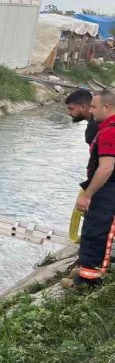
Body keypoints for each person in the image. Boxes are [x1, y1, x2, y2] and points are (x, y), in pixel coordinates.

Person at [74, 91, 115, 286]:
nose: (90, 110)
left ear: (107, 108)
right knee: (95, 232)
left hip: (107, 191)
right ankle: (86, 276)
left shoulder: (110, 131)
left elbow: (106, 167)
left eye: (94, 107)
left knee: (96, 233)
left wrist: (88, 194)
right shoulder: (105, 127)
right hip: (107, 190)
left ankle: (88, 283)